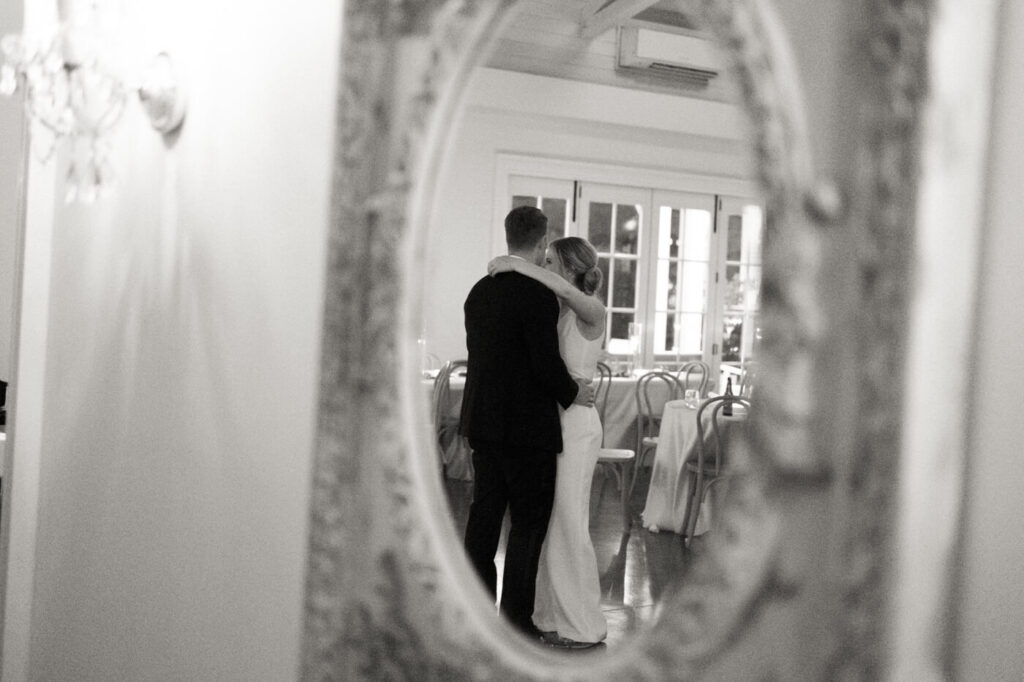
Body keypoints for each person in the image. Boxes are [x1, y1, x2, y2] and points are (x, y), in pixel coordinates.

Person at [460, 206, 595, 639]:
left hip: (483, 423)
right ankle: (515, 620)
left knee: (483, 520)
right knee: (527, 525)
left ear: (507, 236)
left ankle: (476, 613)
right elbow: (543, 363)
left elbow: (483, 361)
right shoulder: (537, 296)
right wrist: (573, 393)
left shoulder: (479, 291)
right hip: (528, 431)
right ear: (541, 243)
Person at [487, 236, 608, 649]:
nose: (545, 264)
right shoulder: (556, 311)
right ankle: (551, 617)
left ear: (571, 267)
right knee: (553, 523)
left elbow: (566, 290)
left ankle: (584, 626)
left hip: (578, 425)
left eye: (551, 260)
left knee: (570, 523)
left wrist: (518, 264)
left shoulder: (592, 310)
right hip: (554, 421)